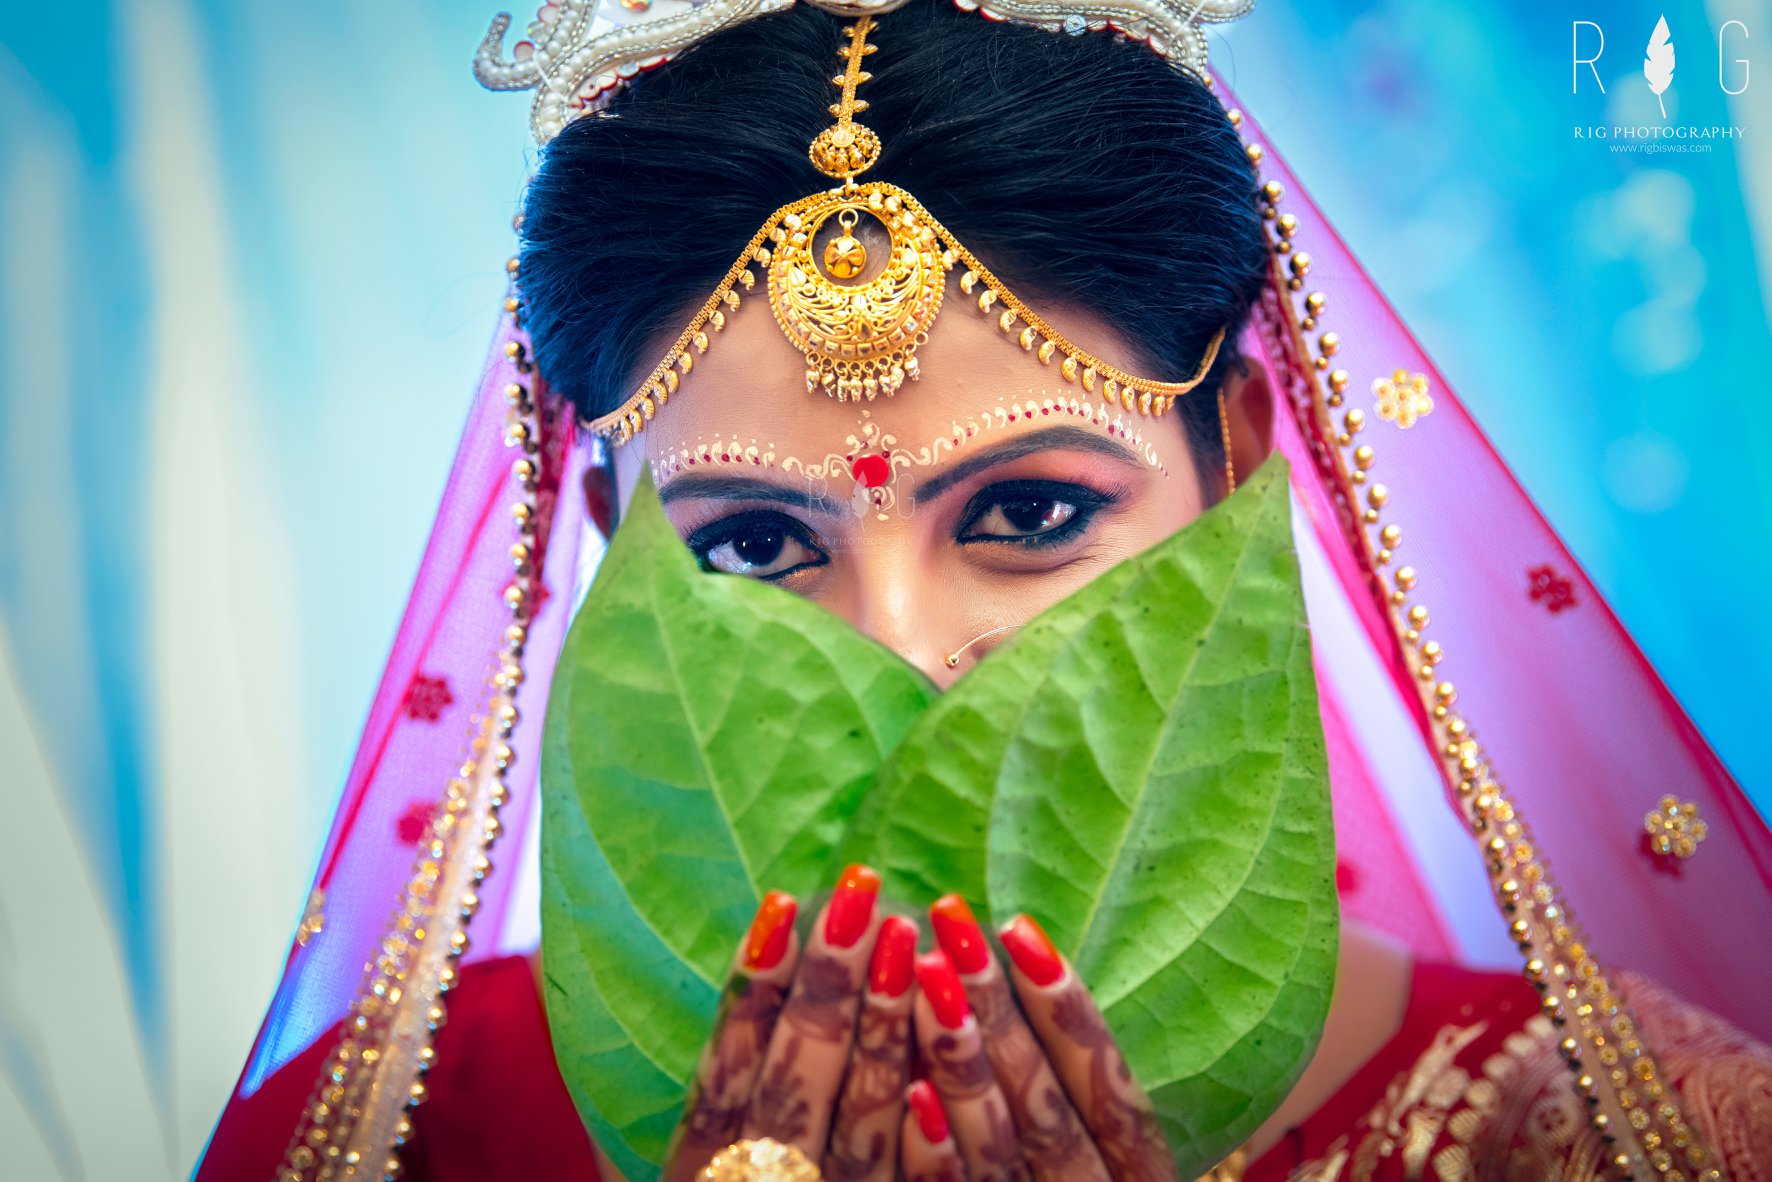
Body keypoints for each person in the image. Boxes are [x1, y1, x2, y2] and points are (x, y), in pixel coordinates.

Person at [196, 1, 1772, 1179]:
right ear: (607, 527)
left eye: (1026, 508)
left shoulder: (1631, 1136)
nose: (902, 647)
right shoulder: (399, 1128)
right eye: (751, 543)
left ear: (1234, 452)